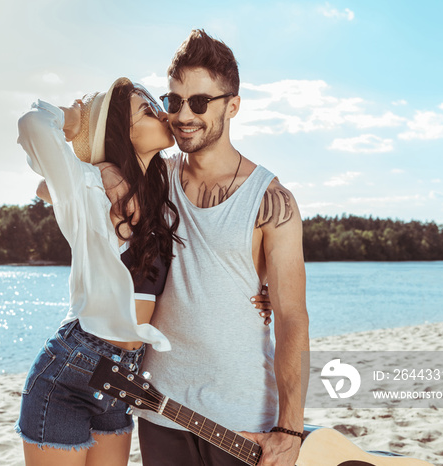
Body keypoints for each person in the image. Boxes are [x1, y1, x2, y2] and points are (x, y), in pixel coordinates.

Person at [136, 30, 310, 466]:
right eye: (174, 101)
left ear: (233, 106)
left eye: (200, 102)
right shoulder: (155, 180)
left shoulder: (272, 201)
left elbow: (291, 316)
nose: (183, 115)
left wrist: (289, 429)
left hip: (241, 419)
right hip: (160, 408)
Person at [14, 77, 182, 466]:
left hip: (122, 379)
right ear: (120, 131)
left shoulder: (162, 191)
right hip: (69, 373)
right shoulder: (91, 188)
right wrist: (75, 119)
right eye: (146, 109)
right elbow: (32, 125)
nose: (161, 112)